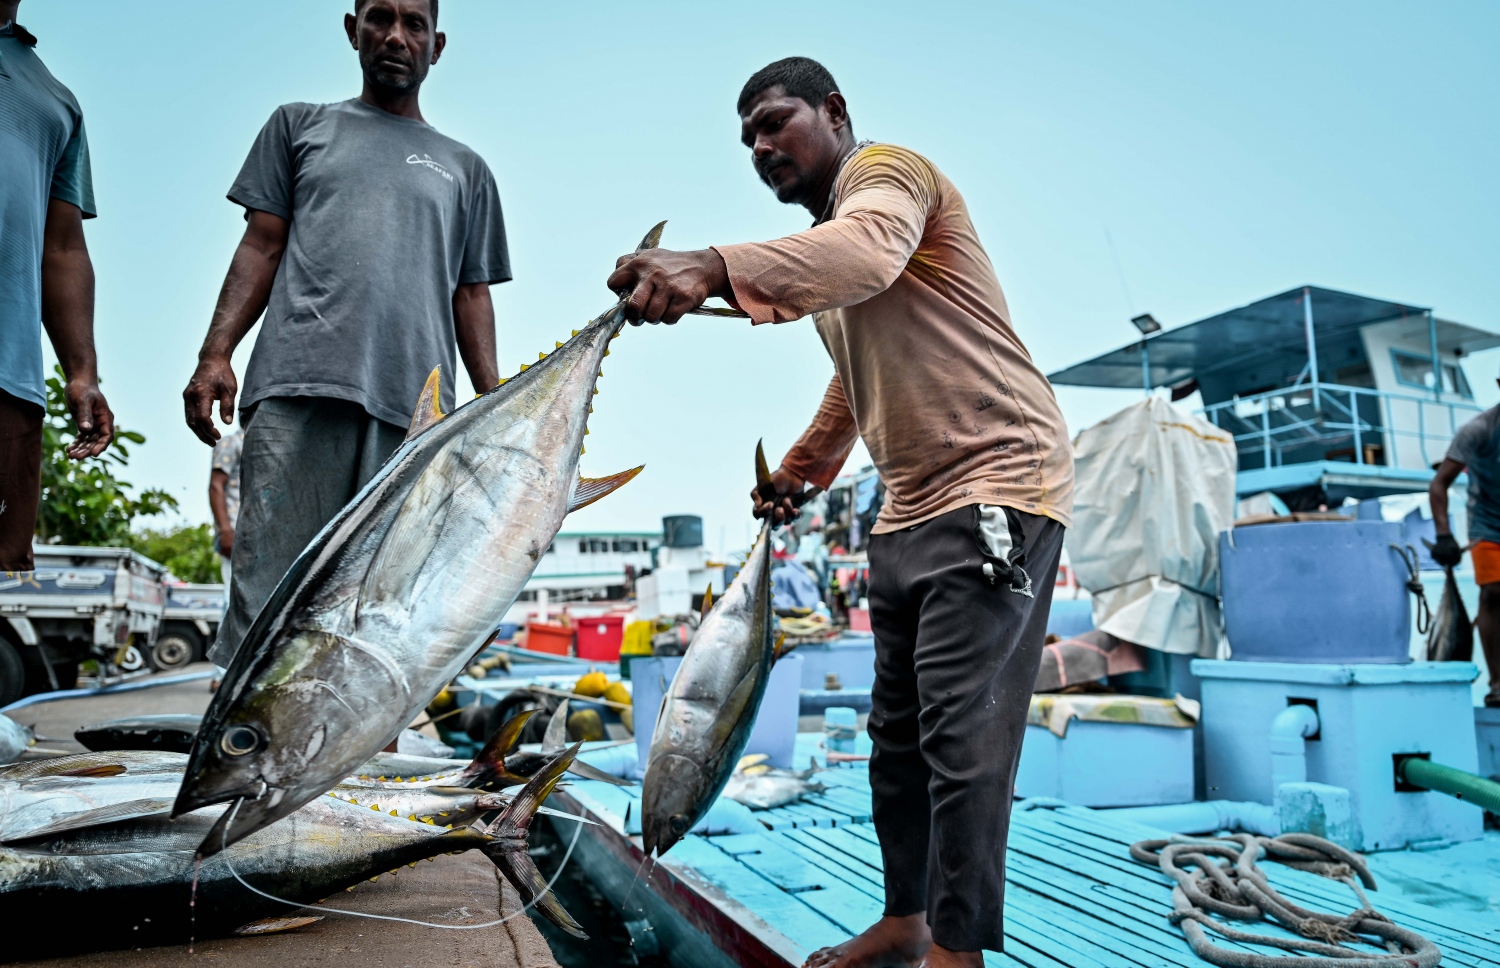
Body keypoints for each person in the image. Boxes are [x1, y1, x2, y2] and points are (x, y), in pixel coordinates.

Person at [608, 57, 1074, 968]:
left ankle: (959, 951)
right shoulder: (832, 259)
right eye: (747, 138)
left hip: (995, 482)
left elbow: (864, 252)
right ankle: (906, 924)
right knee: (895, 739)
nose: (760, 145)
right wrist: (801, 471)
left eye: (775, 122)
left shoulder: (888, 178)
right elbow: (852, 384)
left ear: (834, 111)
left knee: (962, 737)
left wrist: (709, 266)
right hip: (908, 507)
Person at [182, 0, 510, 667]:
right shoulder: (299, 127)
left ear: (436, 45)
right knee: (271, 598)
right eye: (380, 18)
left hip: (416, 417)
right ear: (351, 29)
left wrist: (496, 410)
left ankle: (366, 765)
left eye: (413, 24)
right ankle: (247, 763)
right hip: (296, 387)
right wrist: (215, 351)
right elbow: (261, 246)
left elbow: (471, 296)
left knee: (383, 609)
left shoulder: (465, 168)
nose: (396, 35)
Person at [0, 1, 115, 572]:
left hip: (9, 384)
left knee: (5, 564)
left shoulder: (55, 99)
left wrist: (82, 373)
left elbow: (63, 248)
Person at [1429, 395, 1500, 707]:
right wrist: (1444, 535)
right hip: (1488, 528)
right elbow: (1439, 484)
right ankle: (1498, 681)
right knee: (1494, 594)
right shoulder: (1478, 430)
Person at [208, 424, 242, 585]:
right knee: (235, 595)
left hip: (255, 533)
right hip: (235, 531)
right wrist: (225, 531)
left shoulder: (259, 446)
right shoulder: (232, 442)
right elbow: (216, 486)